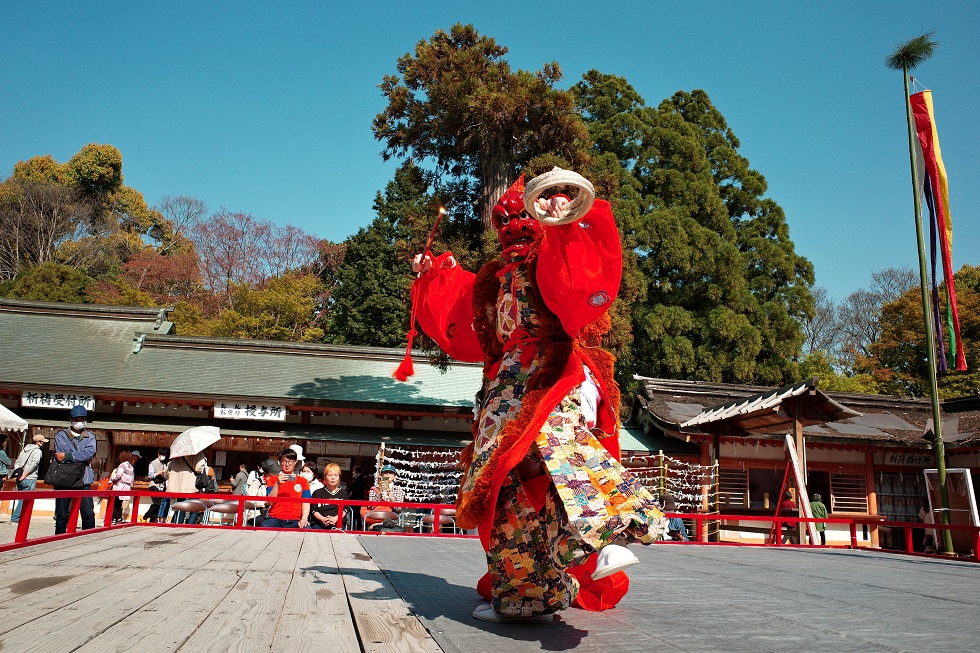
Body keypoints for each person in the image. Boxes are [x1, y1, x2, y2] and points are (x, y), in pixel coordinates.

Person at [410, 170, 667, 621]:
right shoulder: (493, 280)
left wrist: (564, 226)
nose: (510, 231)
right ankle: (526, 594)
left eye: (519, 222)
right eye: (502, 223)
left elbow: (575, 289)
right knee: (501, 482)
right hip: (503, 382)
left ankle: (600, 540)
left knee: (557, 447)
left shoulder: (544, 260)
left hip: (549, 370)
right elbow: (461, 317)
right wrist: (434, 274)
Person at [53, 405, 97, 534]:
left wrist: (69, 456)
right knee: (62, 514)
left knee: (88, 513)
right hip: (64, 479)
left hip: (84, 480)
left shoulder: (90, 437)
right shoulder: (61, 435)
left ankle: (88, 538)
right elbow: (60, 454)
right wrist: (81, 457)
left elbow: (90, 453)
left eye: (82, 418)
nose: (80, 421)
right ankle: (59, 538)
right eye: (77, 418)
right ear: (70, 419)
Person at [261, 447, 311, 528]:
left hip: (295, 520)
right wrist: (277, 484)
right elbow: (269, 502)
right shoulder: (273, 480)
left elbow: (306, 502)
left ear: (295, 462)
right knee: (265, 527)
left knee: (307, 529)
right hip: (275, 519)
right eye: (284, 461)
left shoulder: (303, 481)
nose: (287, 464)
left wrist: (304, 518)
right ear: (280, 463)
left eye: (290, 461)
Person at [11, 434, 47, 524]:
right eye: (42, 442)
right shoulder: (37, 451)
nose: (43, 444)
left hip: (20, 477)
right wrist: (25, 474)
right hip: (30, 477)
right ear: (38, 442)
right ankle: (16, 518)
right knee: (25, 500)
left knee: (20, 499)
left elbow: (17, 462)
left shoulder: (24, 449)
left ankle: (18, 517)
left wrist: (18, 474)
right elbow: (34, 464)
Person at [166, 452, 205, 524]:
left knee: (181, 506)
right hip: (191, 483)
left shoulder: (178, 453)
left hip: (179, 484)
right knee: (194, 507)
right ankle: (190, 525)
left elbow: (168, 469)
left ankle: (178, 524)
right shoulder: (198, 453)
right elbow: (199, 468)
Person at [310, 463, 348, 529]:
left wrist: (335, 519)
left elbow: (346, 509)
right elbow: (313, 510)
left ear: (339, 477)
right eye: (330, 475)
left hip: (338, 524)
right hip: (319, 524)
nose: (333, 478)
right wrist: (323, 519)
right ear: (325, 477)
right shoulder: (317, 493)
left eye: (336, 475)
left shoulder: (343, 493)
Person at [109, 450, 137, 523]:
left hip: (120, 486)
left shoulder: (122, 465)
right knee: (119, 503)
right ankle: (115, 518)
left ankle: (117, 518)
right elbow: (132, 478)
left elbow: (118, 476)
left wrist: (112, 477)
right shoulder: (131, 466)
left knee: (114, 503)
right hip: (126, 487)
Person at [143, 448, 168, 522]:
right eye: (162, 455)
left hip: (161, 485)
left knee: (159, 505)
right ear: (158, 454)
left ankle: (153, 520)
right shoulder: (152, 463)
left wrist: (165, 475)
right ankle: (146, 515)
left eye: (164, 455)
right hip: (154, 484)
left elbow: (166, 476)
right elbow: (150, 475)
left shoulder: (164, 464)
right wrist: (158, 473)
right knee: (157, 503)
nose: (163, 456)